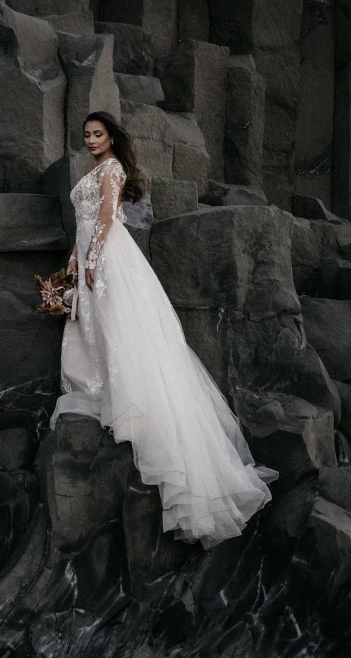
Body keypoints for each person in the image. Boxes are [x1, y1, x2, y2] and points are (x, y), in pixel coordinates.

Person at [55, 112, 276, 549]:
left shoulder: (113, 169)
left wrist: (94, 258)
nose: (92, 140)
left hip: (111, 255)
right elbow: (83, 223)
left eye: (98, 134)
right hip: (90, 254)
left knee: (121, 327)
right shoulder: (93, 170)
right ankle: (102, 391)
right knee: (97, 325)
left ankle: (134, 406)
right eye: (86, 135)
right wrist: (74, 259)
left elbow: (104, 217)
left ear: (112, 137)